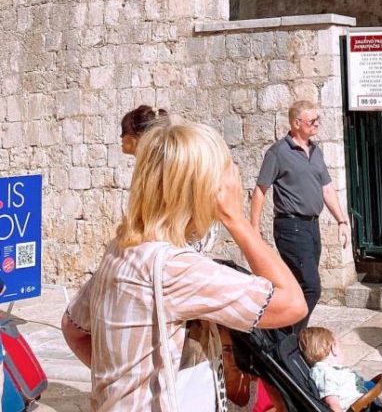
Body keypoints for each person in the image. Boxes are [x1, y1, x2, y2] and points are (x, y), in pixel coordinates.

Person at [61, 120, 307, 411]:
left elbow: (72, 327)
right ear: (202, 191)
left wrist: (126, 386)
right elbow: (292, 304)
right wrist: (236, 220)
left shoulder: (123, 249)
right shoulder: (173, 269)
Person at [251, 100, 350, 332]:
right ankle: (289, 337)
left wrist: (342, 220)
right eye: (312, 121)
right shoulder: (278, 152)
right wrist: (253, 230)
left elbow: (326, 188)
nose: (317, 124)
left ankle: (284, 334)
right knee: (311, 287)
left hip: (312, 227)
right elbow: (260, 190)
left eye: (318, 120)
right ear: (296, 123)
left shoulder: (316, 152)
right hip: (290, 226)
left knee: (298, 285)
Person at [299, 327, 378, 412]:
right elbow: (332, 402)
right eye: (340, 348)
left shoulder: (332, 370)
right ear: (333, 348)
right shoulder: (324, 372)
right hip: (357, 407)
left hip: (362, 398)